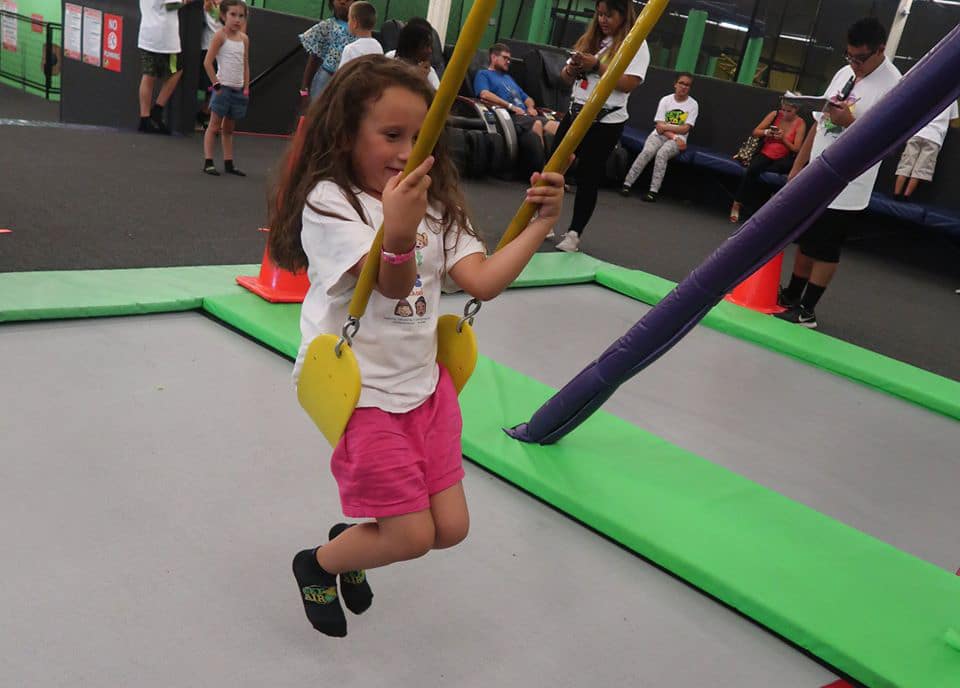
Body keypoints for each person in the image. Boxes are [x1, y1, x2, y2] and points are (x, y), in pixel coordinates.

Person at [266, 55, 566, 638]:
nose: (407, 151)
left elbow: (481, 281)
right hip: (364, 394)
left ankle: (351, 544)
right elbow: (392, 280)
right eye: (391, 135)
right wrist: (399, 233)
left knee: (450, 528)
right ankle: (318, 564)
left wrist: (537, 225)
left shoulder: (433, 202)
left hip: (425, 389)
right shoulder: (332, 201)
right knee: (411, 535)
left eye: (420, 137)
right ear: (347, 133)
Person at [777, 17, 901, 328]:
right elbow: (819, 122)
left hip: (848, 182)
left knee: (826, 246)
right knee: (807, 238)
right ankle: (791, 295)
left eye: (860, 58)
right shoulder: (845, 72)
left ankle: (807, 310)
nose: (854, 64)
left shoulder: (894, 85)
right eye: (850, 56)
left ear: (880, 51)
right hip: (817, 170)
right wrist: (797, 166)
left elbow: (885, 142)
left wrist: (848, 122)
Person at [554, 0, 649, 253]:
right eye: (600, 15)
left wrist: (596, 66)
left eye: (609, 15)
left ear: (622, 14)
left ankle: (574, 233)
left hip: (605, 121)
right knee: (553, 167)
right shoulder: (591, 40)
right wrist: (573, 68)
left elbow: (629, 83)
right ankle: (542, 221)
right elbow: (563, 78)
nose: (603, 20)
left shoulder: (635, 44)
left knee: (588, 176)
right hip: (575, 112)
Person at [619, 72, 698, 203]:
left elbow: (685, 128)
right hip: (663, 136)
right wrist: (673, 135)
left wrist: (667, 129)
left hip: (679, 141)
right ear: (675, 84)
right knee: (647, 151)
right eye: (681, 83)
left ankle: (653, 191)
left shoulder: (693, 104)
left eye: (687, 85)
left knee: (662, 154)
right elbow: (659, 127)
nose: (684, 87)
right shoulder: (666, 100)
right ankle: (627, 184)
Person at [728, 100, 806, 222]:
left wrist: (783, 139)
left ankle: (762, 206)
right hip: (766, 152)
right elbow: (755, 131)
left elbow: (796, 148)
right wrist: (767, 132)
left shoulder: (800, 123)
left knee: (777, 170)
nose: (784, 113)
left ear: (796, 110)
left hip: (782, 158)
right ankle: (737, 203)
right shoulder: (774, 114)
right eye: (783, 110)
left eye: (788, 111)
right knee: (753, 170)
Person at [474, 43, 559, 148]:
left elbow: (527, 98)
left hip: (525, 116)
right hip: (508, 116)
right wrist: (510, 106)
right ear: (493, 57)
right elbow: (484, 94)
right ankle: (545, 163)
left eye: (509, 59)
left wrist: (530, 107)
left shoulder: (508, 78)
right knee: (540, 124)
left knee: (556, 126)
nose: (508, 61)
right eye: (505, 58)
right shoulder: (483, 74)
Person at [202, 0, 250, 176]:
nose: (237, 19)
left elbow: (245, 65)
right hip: (223, 89)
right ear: (223, 16)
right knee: (214, 126)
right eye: (233, 15)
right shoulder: (220, 36)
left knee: (229, 129)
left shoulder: (244, 39)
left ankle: (229, 163)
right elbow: (207, 62)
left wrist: (246, 87)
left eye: (241, 16)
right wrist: (216, 84)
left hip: (238, 91)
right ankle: (208, 161)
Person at [137, 0, 194, 134]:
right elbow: (171, 4)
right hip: (165, 37)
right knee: (177, 70)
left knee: (148, 75)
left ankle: (144, 119)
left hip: (147, 33)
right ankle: (157, 110)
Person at [893, 100, 958, 199]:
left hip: (918, 132)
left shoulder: (930, 90)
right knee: (920, 170)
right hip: (934, 137)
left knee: (905, 165)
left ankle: (896, 194)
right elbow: (953, 122)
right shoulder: (952, 99)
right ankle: (906, 196)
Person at [299, 0, 355, 103]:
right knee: (317, 111)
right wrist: (304, 89)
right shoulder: (327, 26)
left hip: (348, 82)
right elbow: (314, 58)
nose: (342, 2)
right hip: (325, 78)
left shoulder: (360, 30)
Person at [386, 17, 440, 89]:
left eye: (430, 46)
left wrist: (425, 80)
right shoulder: (389, 64)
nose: (430, 51)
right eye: (426, 46)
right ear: (413, 46)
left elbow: (437, 98)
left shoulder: (428, 73)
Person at [337, 1, 382, 69]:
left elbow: (342, 76)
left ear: (355, 23)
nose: (348, 23)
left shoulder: (350, 49)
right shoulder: (378, 46)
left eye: (349, 19)